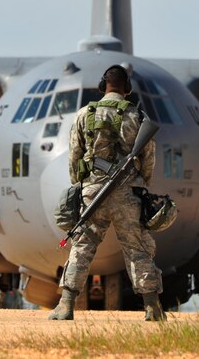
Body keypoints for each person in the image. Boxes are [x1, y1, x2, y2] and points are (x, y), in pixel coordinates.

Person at [49, 64, 165, 321]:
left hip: (93, 191)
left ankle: (66, 305)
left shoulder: (84, 114)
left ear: (103, 86)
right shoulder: (137, 116)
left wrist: (81, 186)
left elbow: (74, 157)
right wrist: (141, 183)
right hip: (128, 193)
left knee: (82, 246)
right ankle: (152, 308)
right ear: (127, 89)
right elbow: (148, 159)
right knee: (137, 249)